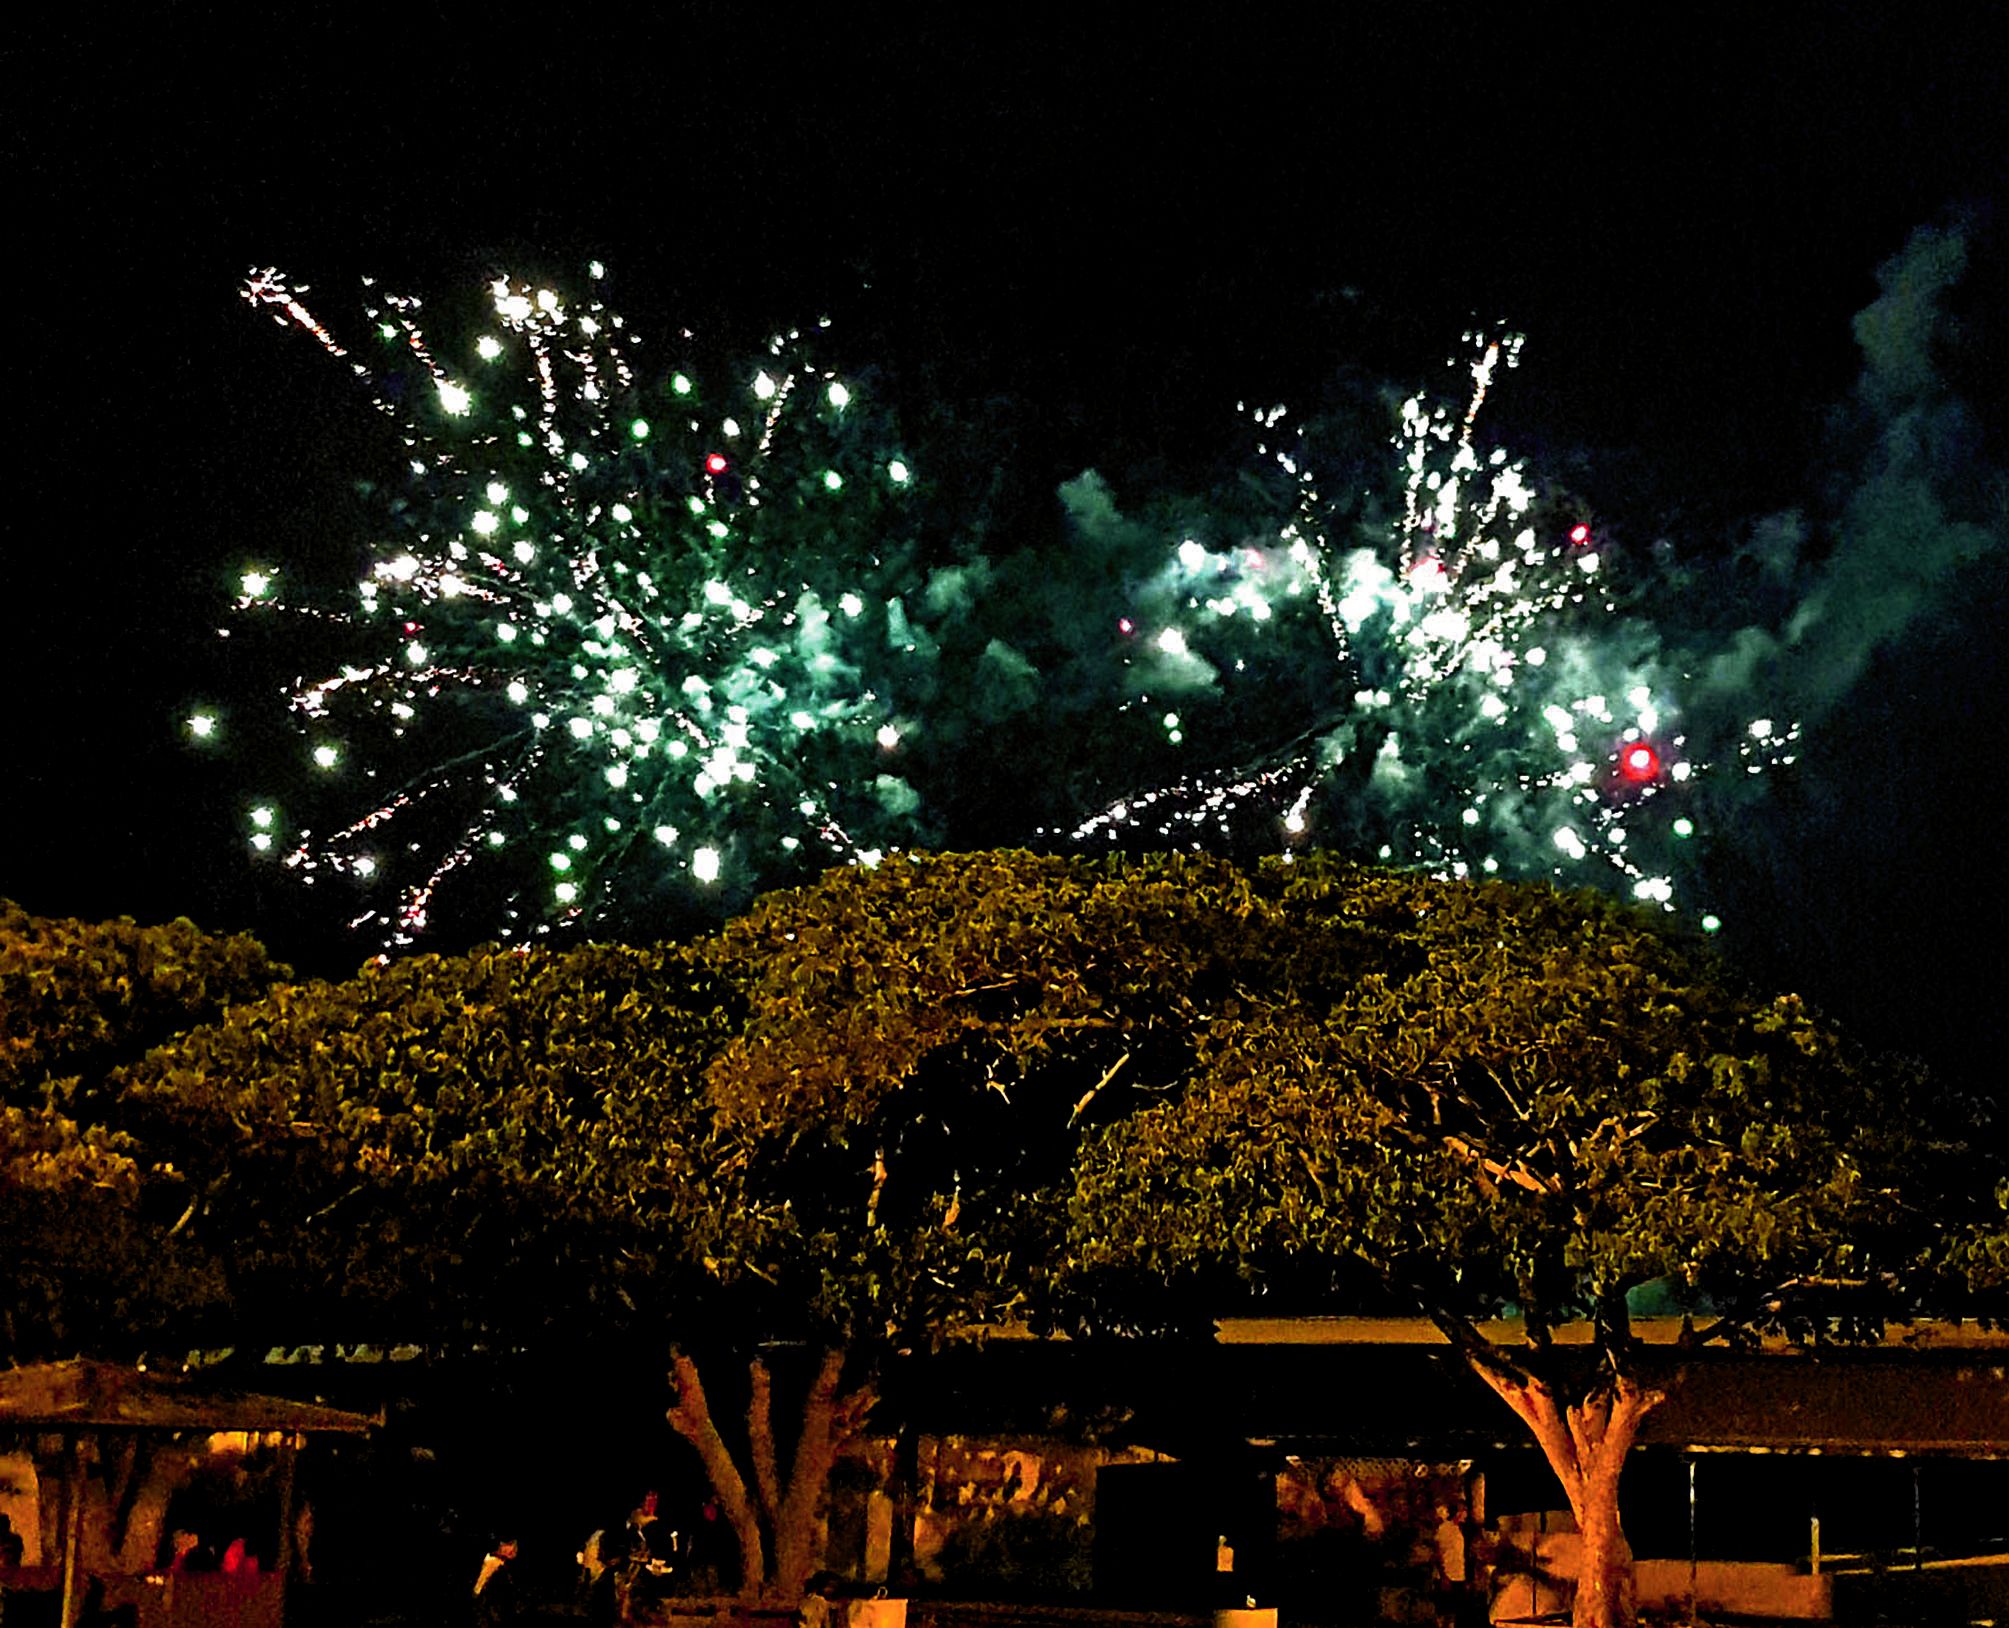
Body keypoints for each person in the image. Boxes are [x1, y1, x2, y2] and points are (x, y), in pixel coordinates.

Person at [473, 1534, 522, 1627]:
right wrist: (477, 1592)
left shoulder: (502, 1564)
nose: (513, 1551)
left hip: (499, 1604)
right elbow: (482, 1581)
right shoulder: (493, 1562)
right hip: (493, 1604)